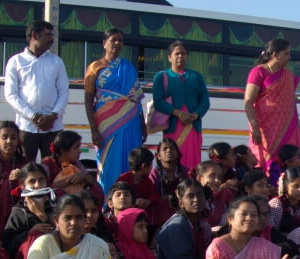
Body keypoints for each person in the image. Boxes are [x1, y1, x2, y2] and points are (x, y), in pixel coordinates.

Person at [85, 28, 146, 193]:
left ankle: (129, 202)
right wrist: (93, 128)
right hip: (106, 124)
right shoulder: (94, 68)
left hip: (131, 120)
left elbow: (135, 97)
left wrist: (142, 124)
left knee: (131, 161)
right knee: (108, 163)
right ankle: (107, 203)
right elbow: (88, 100)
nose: (118, 43)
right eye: (114, 40)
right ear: (104, 43)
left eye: (120, 40)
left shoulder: (128, 67)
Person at [4, 20, 68, 160]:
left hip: (53, 126)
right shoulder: (16, 61)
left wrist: (53, 116)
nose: (52, 39)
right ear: (35, 35)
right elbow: (11, 95)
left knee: (52, 168)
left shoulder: (56, 62)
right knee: (26, 168)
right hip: (27, 126)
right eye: (48, 35)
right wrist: (33, 116)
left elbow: (63, 92)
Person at [25, 194, 113, 259]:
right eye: (67, 218)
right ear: (56, 220)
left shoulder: (99, 245)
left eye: (78, 217)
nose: (73, 223)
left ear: (84, 219)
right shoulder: (43, 244)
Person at [245, 39, 300, 171]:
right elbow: (248, 101)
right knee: (265, 164)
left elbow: (291, 103)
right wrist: (255, 127)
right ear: (275, 55)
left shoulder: (288, 75)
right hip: (265, 128)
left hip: (288, 128)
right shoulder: (258, 72)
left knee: (290, 162)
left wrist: (297, 125)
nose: (290, 57)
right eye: (286, 54)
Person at [152, 41, 210, 168]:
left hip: (192, 126)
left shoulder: (196, 76)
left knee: (192, 161)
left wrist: (195, 115)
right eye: (177, 53)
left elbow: (205, 100)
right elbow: (158, 101)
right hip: (172, 126)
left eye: (183, 54)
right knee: (171, 157)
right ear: (169, 57)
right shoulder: (161, 76)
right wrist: (177, 113)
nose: (180, 56)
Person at [156, 179, 210, 259]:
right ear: (181, 202)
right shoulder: (176, 226)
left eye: (200, 194)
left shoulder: (203, 224)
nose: (196, 199)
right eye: (190, 196)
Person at [0, 122, 32, 235]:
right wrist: (7, 184)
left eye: (13, 138)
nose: (9, 141)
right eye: (5, 137)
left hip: (23, 207)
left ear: (18, 141)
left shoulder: (26, 163)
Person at [148, 138, 189, 227]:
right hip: (159, 215)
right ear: (158, 156)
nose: (169, 151)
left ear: (178, 154)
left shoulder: (186, 172)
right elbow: (152, 196)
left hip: (182, 212)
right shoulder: (154, 174)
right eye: (165, 149)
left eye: (172, 148)